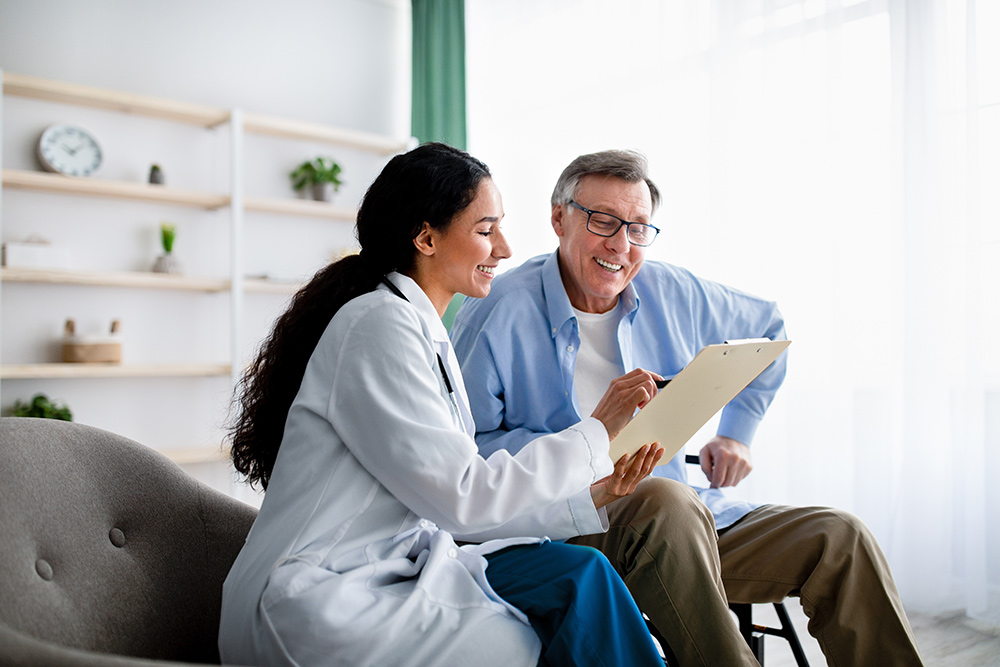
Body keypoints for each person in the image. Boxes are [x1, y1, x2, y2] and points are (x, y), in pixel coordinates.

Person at [451, 149, 925, 667]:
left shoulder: (673, 290)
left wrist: (737, 432)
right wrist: (590, 441)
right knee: (663, 499)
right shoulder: (497, 310)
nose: (620, 245)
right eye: (602, 221)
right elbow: (466, 455)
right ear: (558, 218)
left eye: (637, 229)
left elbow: (770, 329)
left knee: (840, 538)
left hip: (689, 523)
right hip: (570, 525)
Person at [218, 143, 667, 667]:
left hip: (389, 569)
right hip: (313, 595)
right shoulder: (378, 326)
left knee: (580, 581)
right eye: (485, 230)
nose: (504, 248)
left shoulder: (420, 330)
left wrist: (590, 496)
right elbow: (462, 499)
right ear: (426, 237)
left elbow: (452, 507)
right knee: (543, 628)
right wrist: (596, 431)